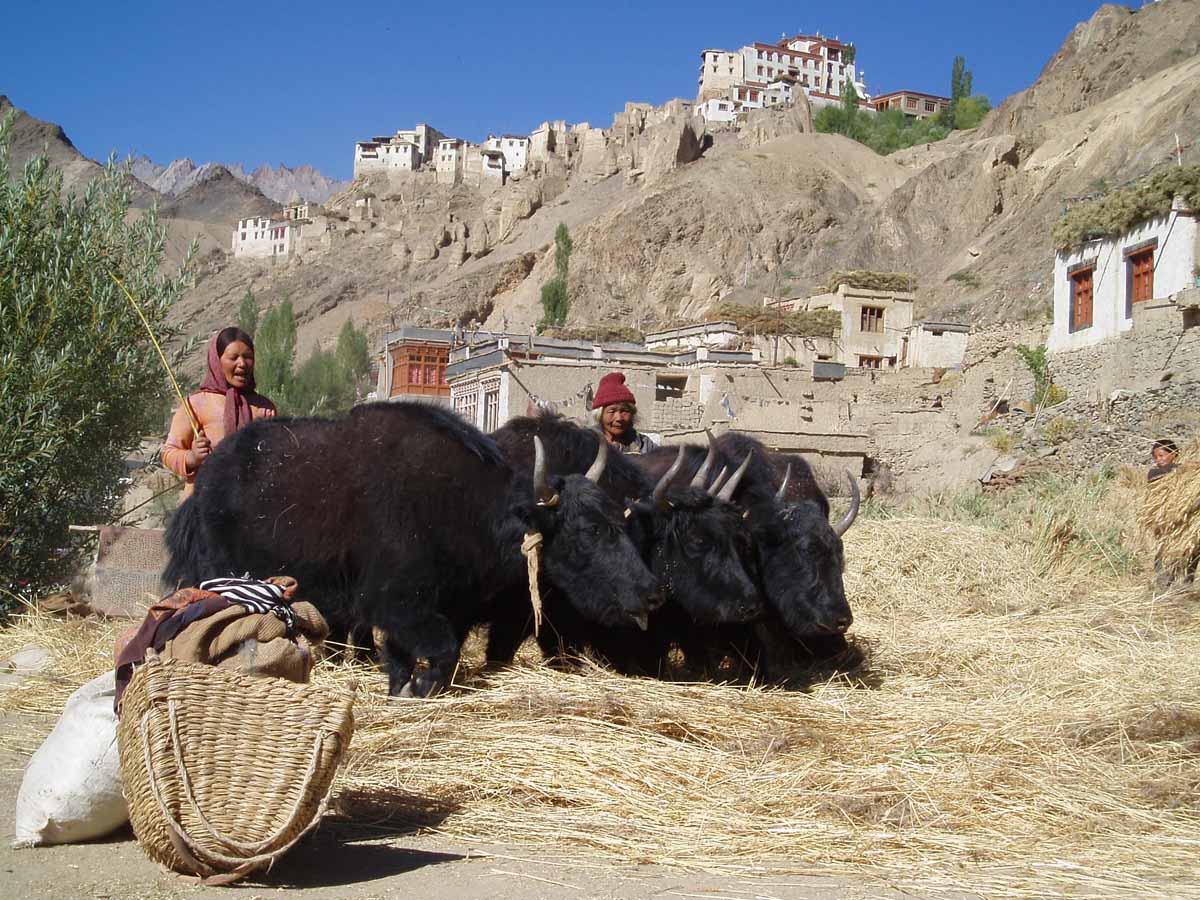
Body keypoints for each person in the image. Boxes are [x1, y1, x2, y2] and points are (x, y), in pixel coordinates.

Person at [162, 327, 277, 497]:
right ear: (217, 361)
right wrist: (192, 457)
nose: (242, 364)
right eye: (233, 358)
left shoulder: (265, 408)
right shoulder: (196, 404)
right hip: (201, 506)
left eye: (248, 357)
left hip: (252, 507)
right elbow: (168, 453)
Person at [1145, 438, 1197, 591]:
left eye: (1161, 455)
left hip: (1186, 519)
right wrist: (1186, 468)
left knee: (1192, 551)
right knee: (1164, 551)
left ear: (1174, 454)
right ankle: (1165, 585)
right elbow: (1167, 473)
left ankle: (1188, 582)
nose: (1158, 460)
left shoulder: (1188, 473)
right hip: (1165, 520)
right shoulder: (1154, 472)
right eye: (1155, 457)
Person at [591, 372, 658, 454]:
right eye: (612, 411)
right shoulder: (587, 442)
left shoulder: (645, 445)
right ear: (600, 415)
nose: (619, 418)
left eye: (624, 411)